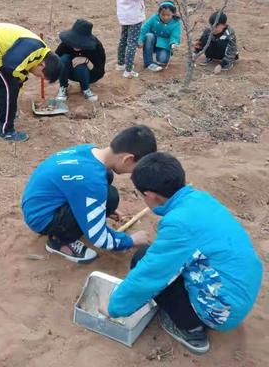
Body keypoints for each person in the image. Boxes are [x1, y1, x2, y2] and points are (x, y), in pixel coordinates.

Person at [105, 152, 263, 355]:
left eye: (140, 194)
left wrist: (113, 308)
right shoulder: (199, 199)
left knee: (143, 260)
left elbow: (150, 275)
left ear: (151, 195)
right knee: (160, 258)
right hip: (243, 289)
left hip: (223, 312)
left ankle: (191, 329)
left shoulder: (179, 224)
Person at [21, 125, 157, 263]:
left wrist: (104, 208)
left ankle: (71, 224)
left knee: (109, 191)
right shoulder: (92, 180)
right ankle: (59, 242)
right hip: (42, 218)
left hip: (40, 203)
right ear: (127, 159)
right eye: (136, 167)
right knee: (107, 194)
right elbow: (99, 238)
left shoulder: (89, 150)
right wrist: (130, 241)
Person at [0, 23, 62, 142]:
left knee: (2, 84)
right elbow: (9, 67)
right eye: (40, 75)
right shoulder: (34, 49)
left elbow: (17, 71)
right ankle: (6, 131)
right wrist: (15, 89)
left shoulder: (38, 51)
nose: (37, 76)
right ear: (42, 64)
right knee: (7, 87)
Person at [115, 0, 152, 79]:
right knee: (132, 42)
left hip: (124, 14)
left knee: (123, 39)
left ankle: (121, 63)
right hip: (134, 16)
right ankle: (129, 70)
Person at [55, 19, 106, 103]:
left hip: (89, 75)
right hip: (68, 72)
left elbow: (99, 72)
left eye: (80, 42)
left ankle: (86, 89)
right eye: (75, 41)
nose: (76, 44)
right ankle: (63, 88)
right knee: (64, 58)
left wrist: (86, 61)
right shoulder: (66, 43)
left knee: (81, 66)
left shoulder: (96, 47)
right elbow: (55, 60)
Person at [139, 0, 181, 72]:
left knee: (162, 60)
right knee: (149, 36)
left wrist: (174, 43)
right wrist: (140, 40)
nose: (165, 17)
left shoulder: (176, 23)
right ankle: (148, 63)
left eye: (168, 15)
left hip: (165, 44)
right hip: (152, 42)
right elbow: (144, 29)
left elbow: (175, 36)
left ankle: (160, 57)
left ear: (173, 14)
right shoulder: (154, 18)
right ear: (159, 13)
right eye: (163, 15)